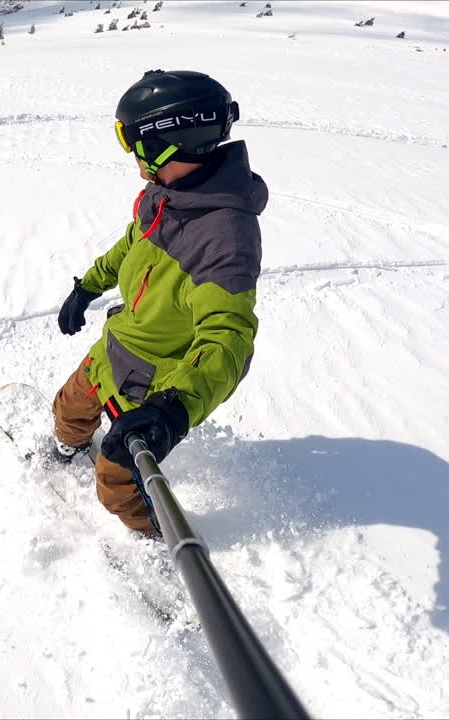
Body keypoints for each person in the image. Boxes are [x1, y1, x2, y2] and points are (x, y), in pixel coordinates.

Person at [50, 70, 268, 536]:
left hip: (153, 385)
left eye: (138, 147)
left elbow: (228, 339)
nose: (135, 162)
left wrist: (173, 410)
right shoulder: (167, 195)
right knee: (69, 409)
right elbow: (132, 245)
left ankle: (151, 537)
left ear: (178, 142)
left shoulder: (224, 239)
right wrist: (87, 286)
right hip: (115, 348)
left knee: (116, 480)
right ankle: (68, 447)